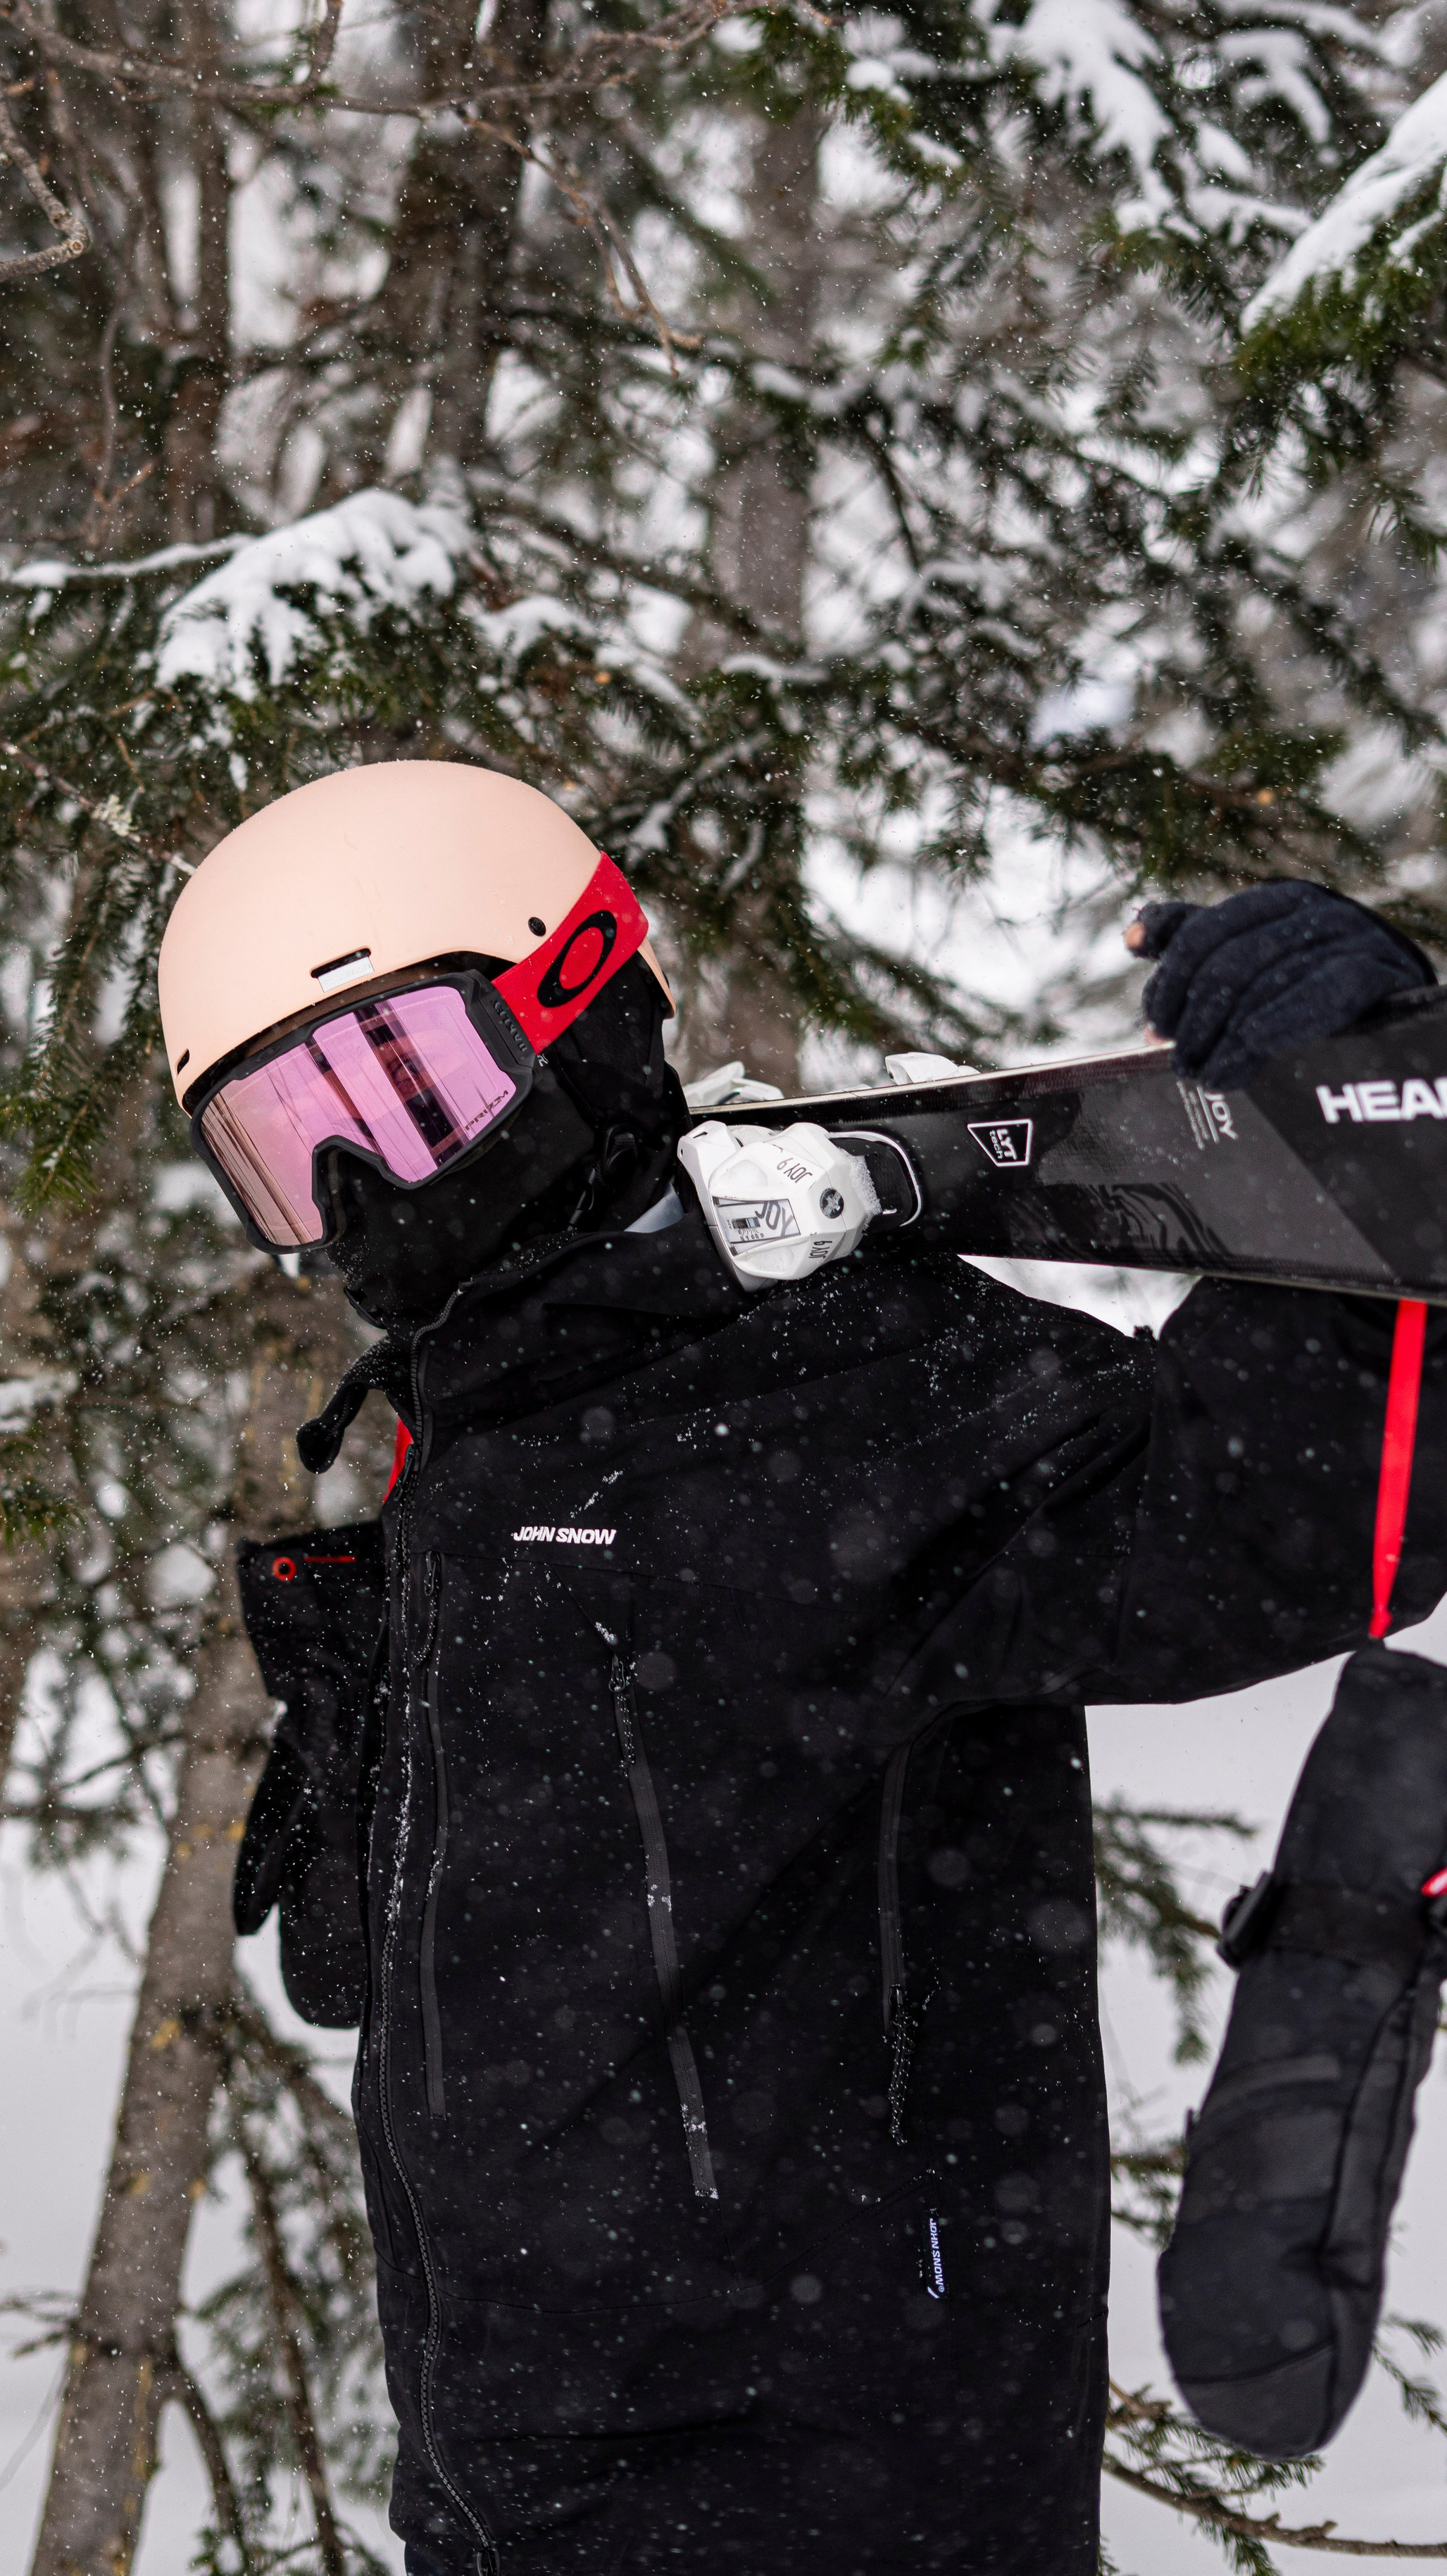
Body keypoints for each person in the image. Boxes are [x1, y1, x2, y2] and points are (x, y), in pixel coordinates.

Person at [156, 758, 1447, 2576]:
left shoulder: (839, 1387)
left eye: (410, 1087)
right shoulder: (484, 1433)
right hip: (514, 2493)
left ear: (579, 995)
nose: (364, 1185)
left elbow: (1292, 1520)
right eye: (285, 1146)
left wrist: (1375, 1115)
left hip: (833, 2484)